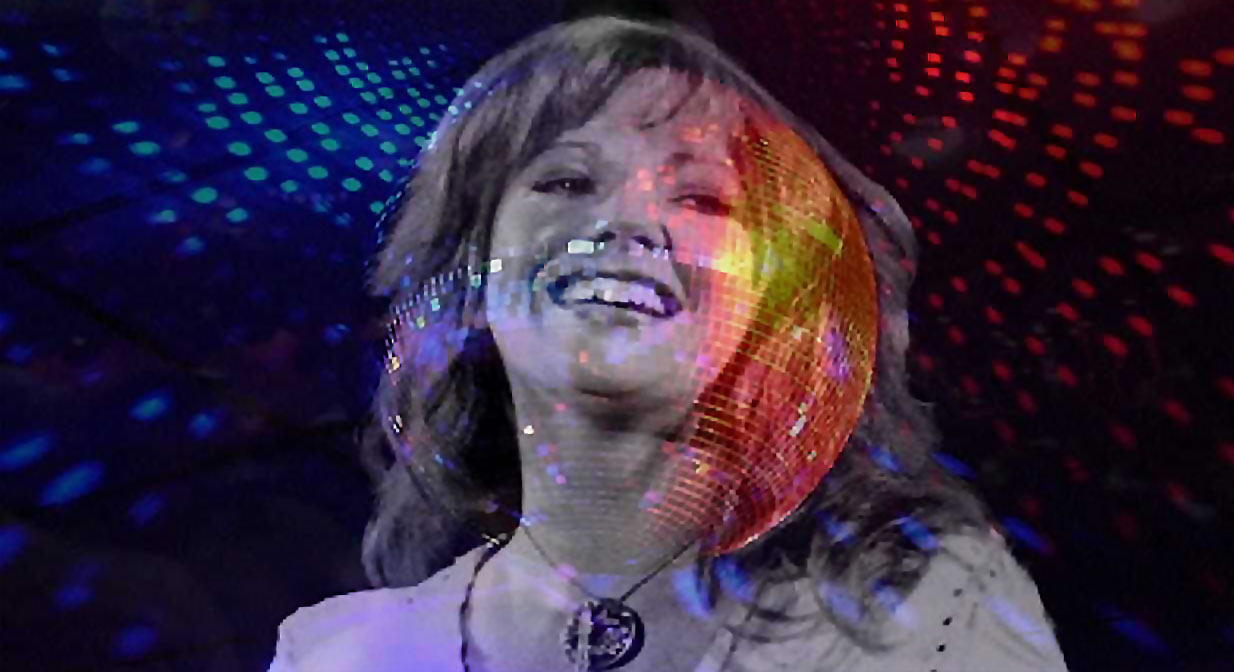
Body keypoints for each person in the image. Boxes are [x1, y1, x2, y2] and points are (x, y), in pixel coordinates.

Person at [268, 15, 1071, 672]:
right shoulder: (339, 656)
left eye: (699, 196)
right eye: (566, 180)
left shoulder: (925, 610)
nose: (627, 221)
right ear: (469, 278)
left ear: (773, 302)